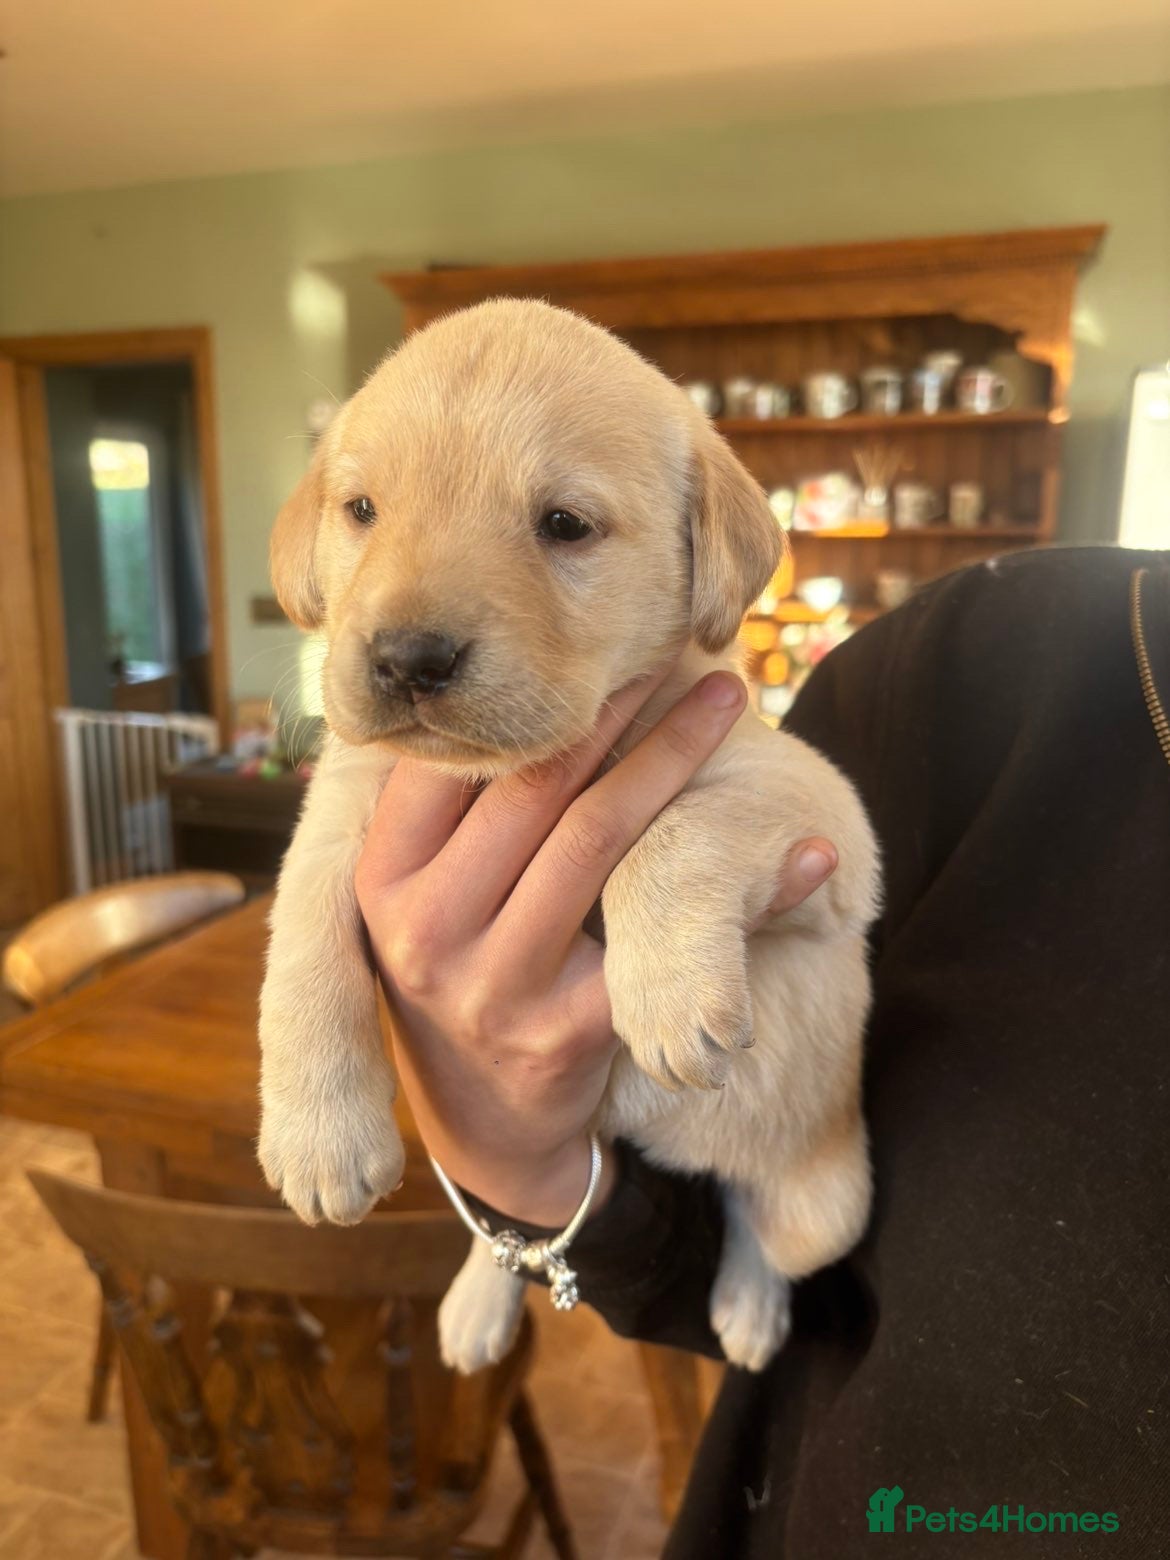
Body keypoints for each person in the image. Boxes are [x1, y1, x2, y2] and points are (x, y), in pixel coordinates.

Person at [356, 546, 1170, 1556]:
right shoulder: (976, 658)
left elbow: (804, 844)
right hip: (654, 1182)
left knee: (783, 1194)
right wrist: (509, 1172)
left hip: (778, 1182)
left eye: (566, 525)